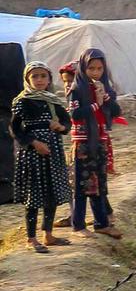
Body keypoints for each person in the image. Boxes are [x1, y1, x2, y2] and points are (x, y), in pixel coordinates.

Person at [10, 62, 71, 252]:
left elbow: (66, 123)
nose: (39, 80)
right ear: (27, 79)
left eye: (43, 76)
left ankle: (48, 234)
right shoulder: (22, 101)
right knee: (34, 195)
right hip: (32, 154)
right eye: (34, 76)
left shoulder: (53, 100)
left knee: (51, 193)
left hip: (53, 151)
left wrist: (60, 127)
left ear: (49, 79)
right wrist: (35, 143)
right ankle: (31, 238)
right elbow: (15, 129)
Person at [67, 49, 121, 238]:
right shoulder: (77, 89)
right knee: (82, 185)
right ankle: (78, 225)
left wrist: (106, 98)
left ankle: (101, 223)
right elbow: (74, 114)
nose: (96, 72)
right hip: (83, 143)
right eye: (91, 68)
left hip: (100, 141)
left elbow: (116, 111)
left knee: (100, 184)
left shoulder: (105, 87)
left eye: (99, 68)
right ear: (83, 68)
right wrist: (95, 105)